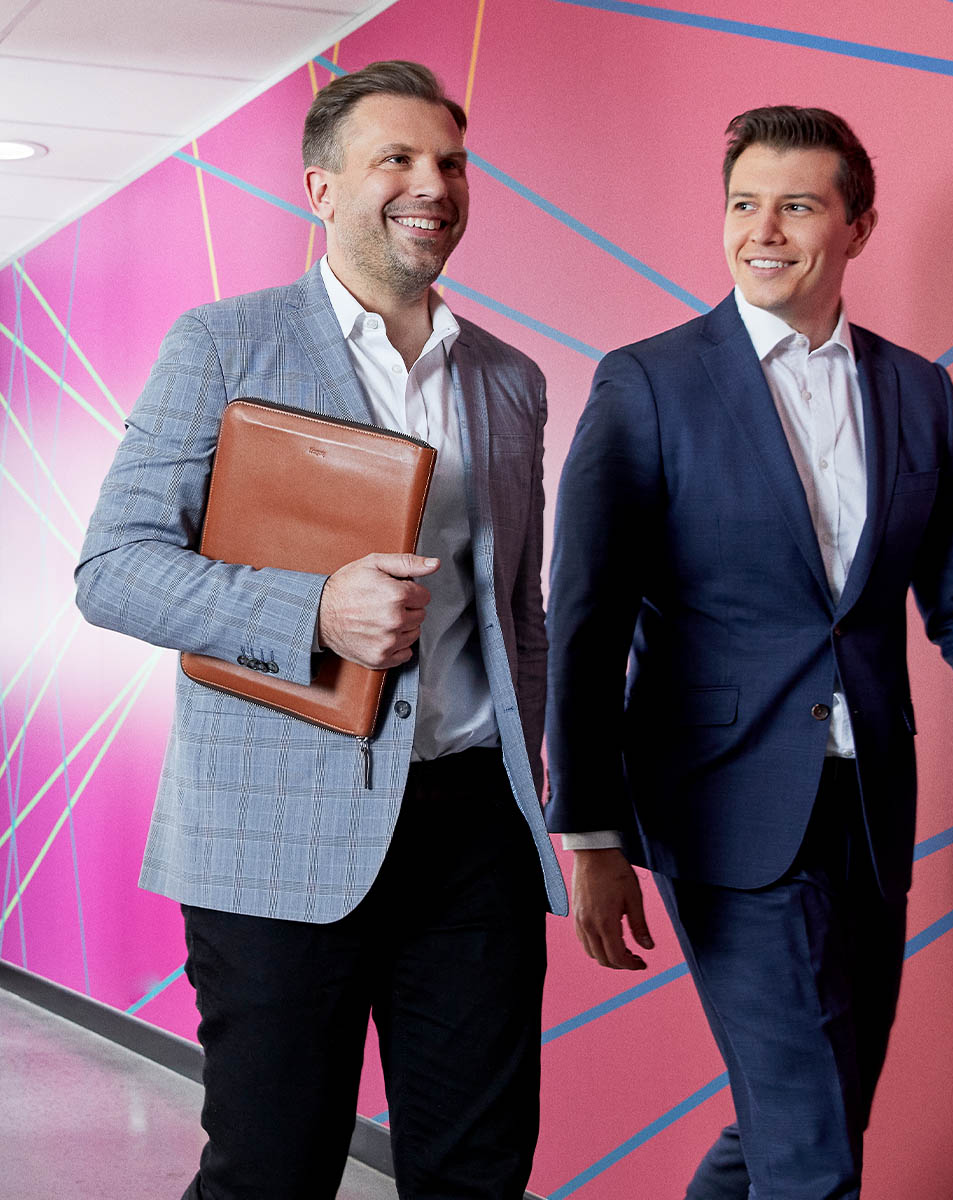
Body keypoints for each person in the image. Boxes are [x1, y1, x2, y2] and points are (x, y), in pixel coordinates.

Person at [544, 106, 953, 1199]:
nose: (763, 230)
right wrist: (591, 834)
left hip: (865, 811)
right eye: (744, 205)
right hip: (724, 812)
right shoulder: (647, 384)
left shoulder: (916, 391)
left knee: (806, 1119)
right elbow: (585, 618)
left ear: (858, 225)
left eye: (797, 205)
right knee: (811, 1152)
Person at [76, 60, 566, 1200]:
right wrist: (311, 609)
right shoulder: (224, 343)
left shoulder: (511, 381)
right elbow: (113, 570)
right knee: (271, 1173)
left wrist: (542, 803)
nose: (430, 183)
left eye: (448, 161)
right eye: (395, 158)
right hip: (273, 834)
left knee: (479, 1172)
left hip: (473, 835)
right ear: (322, 186)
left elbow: (519, 617)